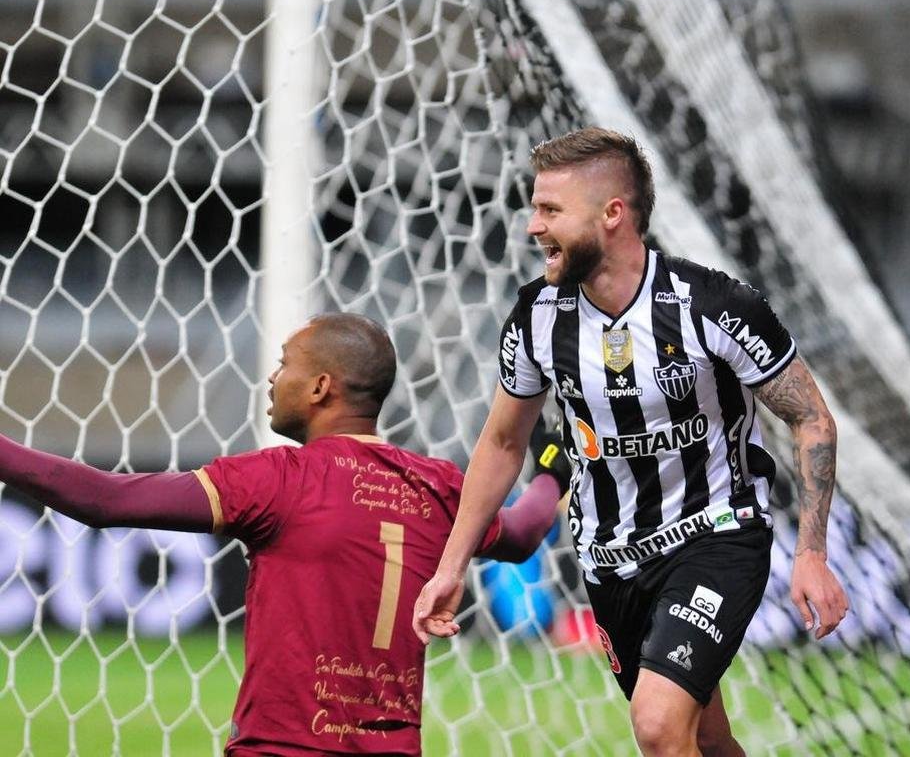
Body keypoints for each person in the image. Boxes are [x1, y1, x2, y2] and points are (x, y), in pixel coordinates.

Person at [414, 128, 849, 756]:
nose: (534, 226)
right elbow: (504, 443)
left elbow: (812, 420)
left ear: (613, 214)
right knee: (706, 736)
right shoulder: (538, 315)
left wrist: (811, 552)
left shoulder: (713, 305)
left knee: (657, 723)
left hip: (716, 534)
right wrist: (451, 566)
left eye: (551, 210)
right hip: (608, 559)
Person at [0, 312, 565, 756]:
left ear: (321, 387)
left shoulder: (278, 480)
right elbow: (520, 534)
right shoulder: (439, 486)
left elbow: (106, 500)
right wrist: (553, 473)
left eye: (285, 364)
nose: (273, 377)